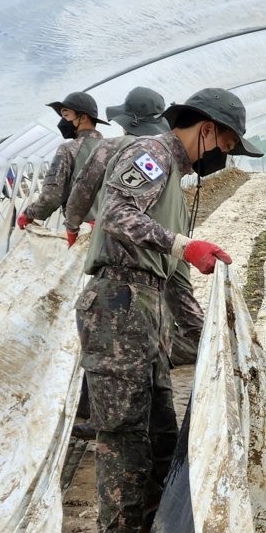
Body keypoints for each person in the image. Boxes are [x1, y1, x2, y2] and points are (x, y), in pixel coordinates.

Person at [77, 87, 263, 533]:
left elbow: (175, 275)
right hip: (118, 304)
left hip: (147, 309)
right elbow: (114, 213)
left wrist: (210, 335)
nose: (219, 155)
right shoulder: (152, 154)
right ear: (203, 127)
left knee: (158, 434)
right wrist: (184, 245)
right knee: (123, 440)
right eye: (222, 143)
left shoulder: (176, 185)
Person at [65, 88, 205, 441]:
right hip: (122, 291)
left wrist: (71, 222)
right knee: (123, 408)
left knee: (150, 394)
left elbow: (82, 191)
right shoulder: (151, 155)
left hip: (144, 296)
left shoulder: (149, 161)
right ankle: (104, 424)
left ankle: (154, 475)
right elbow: (118, 214)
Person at [17, 91, 109, 245]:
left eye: (66, 116)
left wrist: (28, 214)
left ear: (83, 117)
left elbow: (52, 196)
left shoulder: (69, 149)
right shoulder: (114, 148)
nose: (62, 121)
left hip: (85, 236)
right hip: (113, 235)